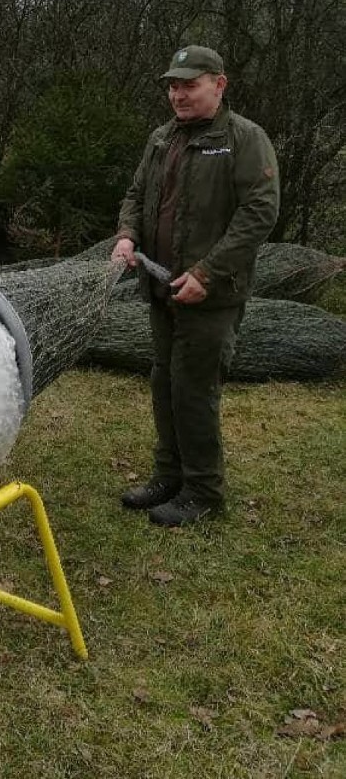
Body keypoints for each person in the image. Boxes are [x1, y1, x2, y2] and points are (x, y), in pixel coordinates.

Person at [110, 45, 279, 526]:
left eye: (189, 84)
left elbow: (259, 214)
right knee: (164, 382)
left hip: (211, 294)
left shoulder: (244, 139)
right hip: (162, 288)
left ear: (219, 84)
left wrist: (207, 273)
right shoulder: (162, 138)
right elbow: (136, 195)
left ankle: (203, 491)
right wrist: (127, 236)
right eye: (173, 85)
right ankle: (169, 476)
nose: (178, 94)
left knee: (193, 389)